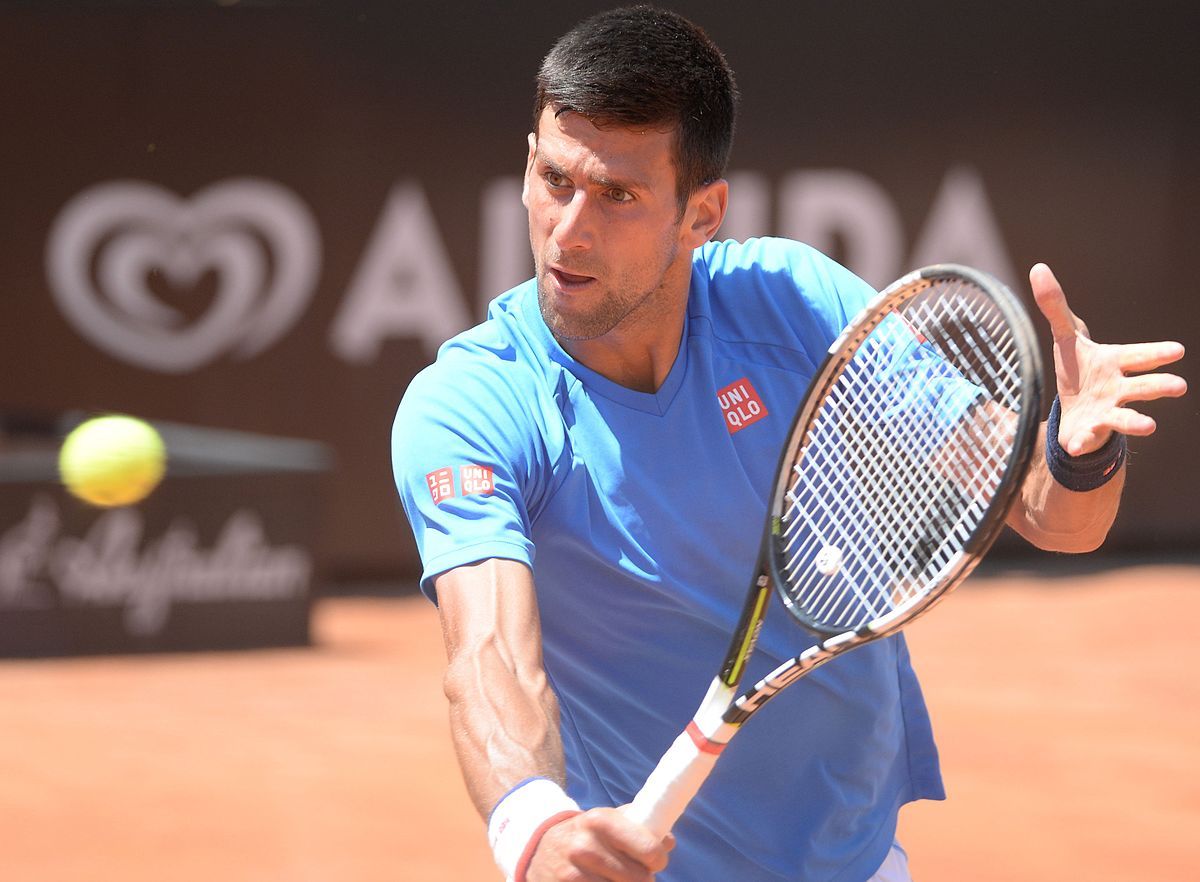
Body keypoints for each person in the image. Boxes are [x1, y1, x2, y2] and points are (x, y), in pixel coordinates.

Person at [391, 7, 1186, 881]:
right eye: (553, 179)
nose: (569, 229)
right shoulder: (471, 402)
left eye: (617, 195)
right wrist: (533, 827)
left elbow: (1056, 519)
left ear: (702, 213)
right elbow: (489, 653)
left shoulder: (795, 306)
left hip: (856, 861)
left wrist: (1077, 452)